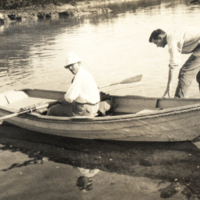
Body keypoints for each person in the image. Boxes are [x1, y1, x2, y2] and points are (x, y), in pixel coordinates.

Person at [149, 26, 200, 98]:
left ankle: (178, 100)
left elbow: (173, 65)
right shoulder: (173, 36)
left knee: (185, 72)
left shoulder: (172, 41)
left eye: (156, 43)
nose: (157, 46)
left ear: (160, 38)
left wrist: (168, 89)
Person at [47, 53, 100, 117]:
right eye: (68, 66)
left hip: (85, 109)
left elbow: (70, 97)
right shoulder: (85, 73)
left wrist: (62, 101)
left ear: (78, 63)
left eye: (72, 65)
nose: (70, 68)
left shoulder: (79, 76)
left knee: (52, 110)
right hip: (95, 107)